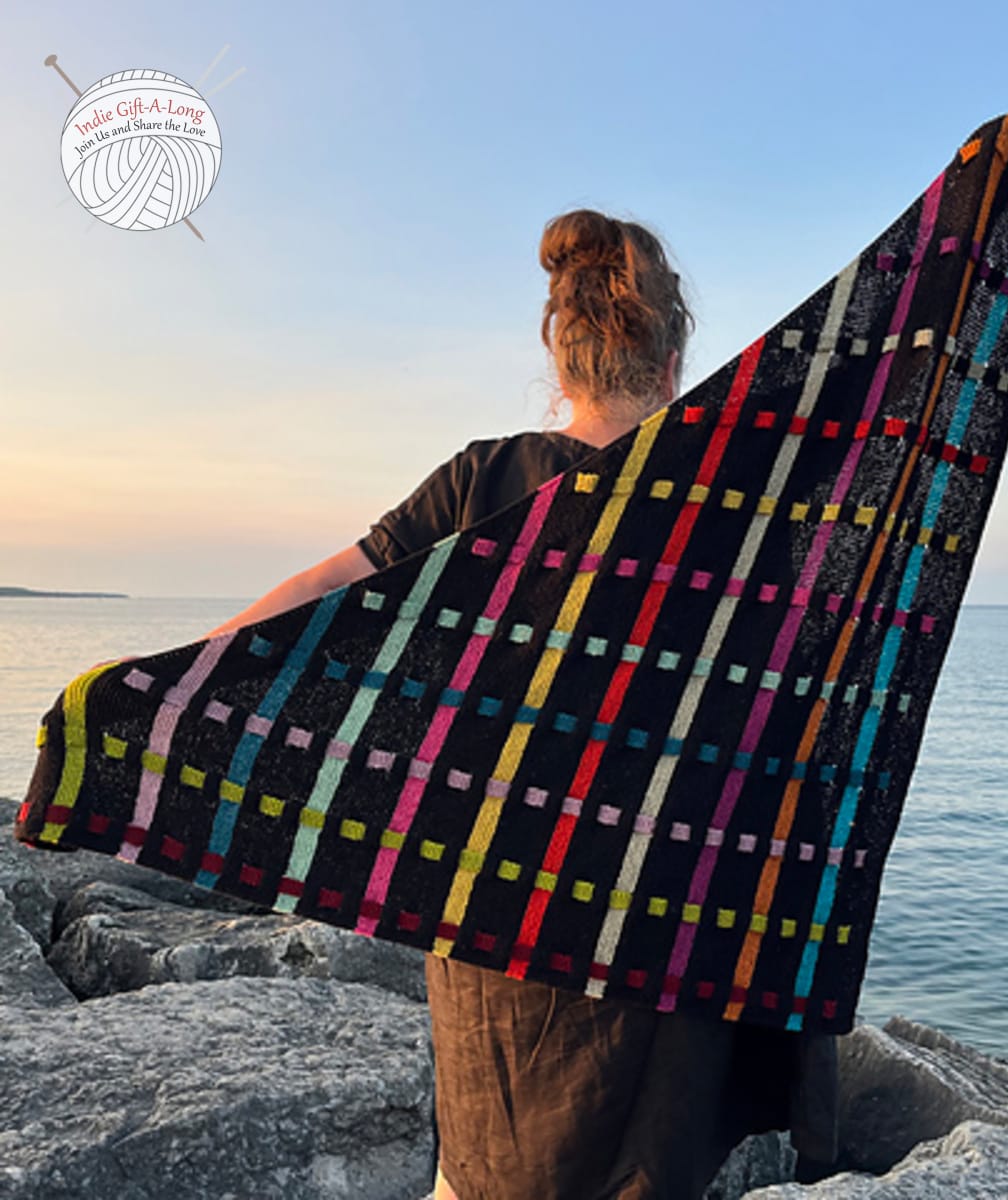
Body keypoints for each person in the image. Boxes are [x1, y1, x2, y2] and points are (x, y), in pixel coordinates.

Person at [204, 210, 838, 1199]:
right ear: (674, 363)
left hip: (501, 906)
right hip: (663, 914)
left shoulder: (488, 481)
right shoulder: (733, 510)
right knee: (649, 1172)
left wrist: (178, 673)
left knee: (488, 1172)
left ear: (561, 357)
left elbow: (329, 591)